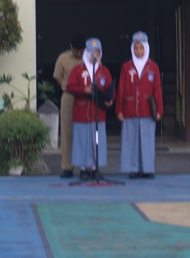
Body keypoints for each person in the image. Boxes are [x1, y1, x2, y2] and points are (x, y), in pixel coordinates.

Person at [66, 37, 114, 180]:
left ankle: (95, 168)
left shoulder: (104, 71)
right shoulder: (78, 70)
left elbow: (110, 88)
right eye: (92, 53)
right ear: (86, 54)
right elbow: (70, 87)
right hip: (82, 113)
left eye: (97, 54)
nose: (95, 56)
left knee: (97, 141)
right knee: (82, 141)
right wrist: (83, 90)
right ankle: (83, 169)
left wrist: (110, 100)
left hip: (98, 114)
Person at [116, 31, 163, 179]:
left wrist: (159, 110)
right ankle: (134, 169)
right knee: (131, 141)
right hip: (129, 109)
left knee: (147, 141)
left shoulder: (153, 67)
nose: (138, 51)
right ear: (132, 49)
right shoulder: (126, 66)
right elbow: (121, 88)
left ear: (146, 48)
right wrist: (119, 109)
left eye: (141, 48)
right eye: (136, 48)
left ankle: (147, 169)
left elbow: (157, 90)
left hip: (147, 109)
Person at [53, 34, 86, 178]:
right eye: (76, 51)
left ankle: (87, 167)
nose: (79, 54)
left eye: (81, 51)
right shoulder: (63, 58)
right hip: (69, 96)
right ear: (71, 47)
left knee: (86, 132)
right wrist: (69, 87)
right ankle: (67, 167)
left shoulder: (91, 57)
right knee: (67, 131)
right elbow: (58, 77)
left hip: (86, 98)